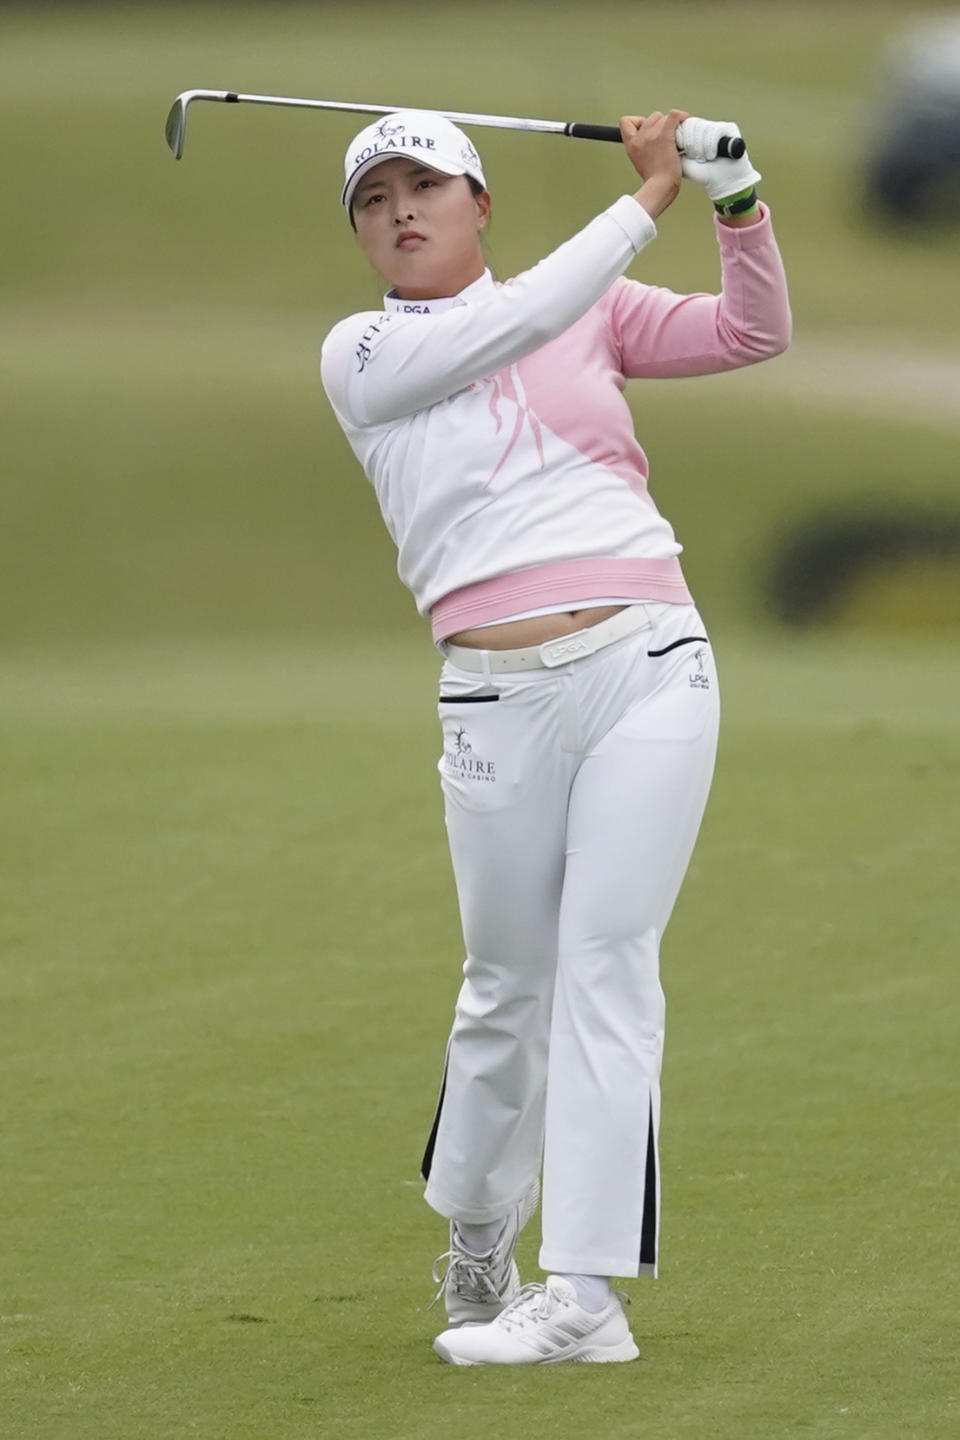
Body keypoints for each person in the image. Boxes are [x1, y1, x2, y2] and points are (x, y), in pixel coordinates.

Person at [320, 106, 790, 1366]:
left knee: (606, 964)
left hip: (648, 660)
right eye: (375, 200)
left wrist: (735, 196)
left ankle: (584, 1296)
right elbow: (514, 322)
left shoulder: (587, 303)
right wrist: (646, 201)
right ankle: (479, 1230)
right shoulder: (362, 353)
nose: (402, 211)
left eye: (427, 186)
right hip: (494, 697)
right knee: (504, 983)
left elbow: (755, 331)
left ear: (481, 204)